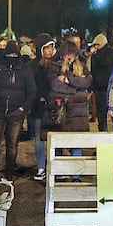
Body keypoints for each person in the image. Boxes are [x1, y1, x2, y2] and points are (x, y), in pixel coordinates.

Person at [0, 41, 36, 181]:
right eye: (9, 54)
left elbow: (32, 91)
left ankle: (9, 173)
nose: (12, 56)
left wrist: (23, 108)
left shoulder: (24, 70)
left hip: (15, 113)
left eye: (14, 54)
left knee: (12, 144)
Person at [43, 40, 92, 182]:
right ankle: (58, 173)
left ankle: (76, 175)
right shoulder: (54, 66)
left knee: (76, 145)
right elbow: (54, 85)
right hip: (61, 112)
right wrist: (77, 87)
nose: (69, 57)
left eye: (72, 54)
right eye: (67, 54)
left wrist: (68, 80)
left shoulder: (82, 66)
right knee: (58, 144)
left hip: (78, 114)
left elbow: (88, 81)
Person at [29, 33, 56, 180]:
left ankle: (56, 167)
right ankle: (41, 167)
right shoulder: (32, 66)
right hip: (39, 108)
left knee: (56, 139)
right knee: (39, 139)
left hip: (55, 108)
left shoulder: (57, 64)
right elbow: (31, 85)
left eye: (52, 47)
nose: (50, 51)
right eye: (47, 48)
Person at [90, 33, 113, 131]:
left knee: (102, 116)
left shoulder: (97, 56)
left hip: (103, 88)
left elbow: (98, 67)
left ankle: (103, 134)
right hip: (110, 88)